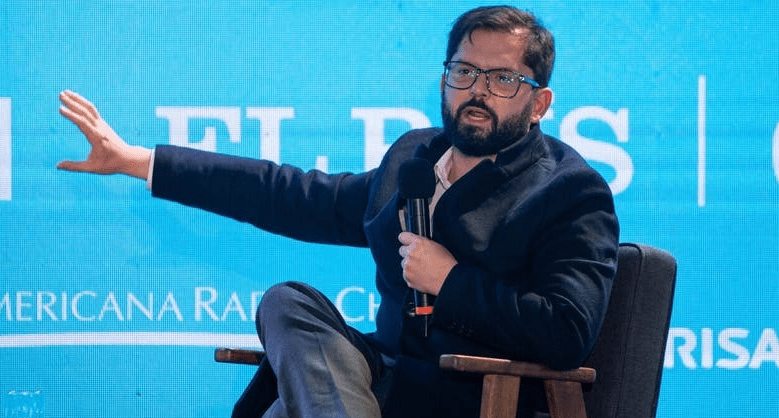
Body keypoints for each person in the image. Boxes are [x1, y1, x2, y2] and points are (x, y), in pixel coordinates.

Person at [57, 5, 619, 418]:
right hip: (375, 389)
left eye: (503, 79)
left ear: (539, 103)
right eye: (465, 72)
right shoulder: (413, 159)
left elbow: (566, 332)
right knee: (287, 303)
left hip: (474, 398)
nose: (477, 91)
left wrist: (450, 281)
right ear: (445, 78)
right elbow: (291, 195)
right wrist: (139, 161)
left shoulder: (571, 191)